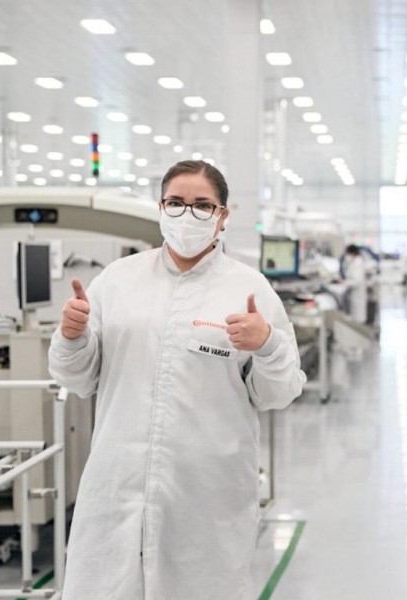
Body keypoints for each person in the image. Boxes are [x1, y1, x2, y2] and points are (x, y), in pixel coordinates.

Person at [48, 160, 306, 599]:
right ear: (161, 208)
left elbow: (278, 392)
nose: (188, 215)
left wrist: (267, 344)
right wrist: (72, 337)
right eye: (176, 203)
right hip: (117, 481)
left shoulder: (250, 288)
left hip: (205, 489)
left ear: (223, 216)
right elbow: (79, 377)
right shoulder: (118, 281)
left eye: (203, 205)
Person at [342, 244, 368, 323]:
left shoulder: (357, 263)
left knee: (358, 318)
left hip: (358, 293)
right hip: (354, 293)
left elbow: (357, 281)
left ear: (352, 253)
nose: (346, 256)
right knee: (355, 317)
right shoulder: (354, 262)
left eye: (347, 253)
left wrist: (344, 282)